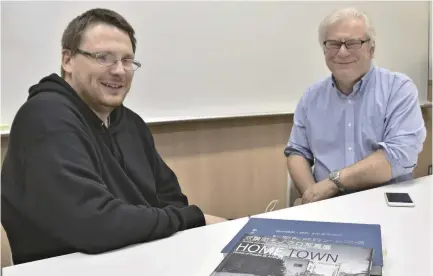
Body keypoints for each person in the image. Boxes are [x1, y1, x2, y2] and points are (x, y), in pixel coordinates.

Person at [1, 8, 226, 264]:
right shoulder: (44, 118)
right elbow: (93, 224)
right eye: (103, 57)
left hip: (145, 258)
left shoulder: (131, 123)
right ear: (67, 60)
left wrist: (183, 221)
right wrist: (196, 218)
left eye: (127, 60)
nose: (119, 71)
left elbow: (171, 199)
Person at [285, 8, 427, 206]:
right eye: (333, 44)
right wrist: (313, 197)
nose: (342, 52)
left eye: (353, 43)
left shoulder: (398, 89)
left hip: (386, 204)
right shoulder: (311, 97)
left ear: (371, 49)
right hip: (328, 204)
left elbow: (399, 155)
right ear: (324, 50)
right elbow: (297, 152)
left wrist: (332, 183)